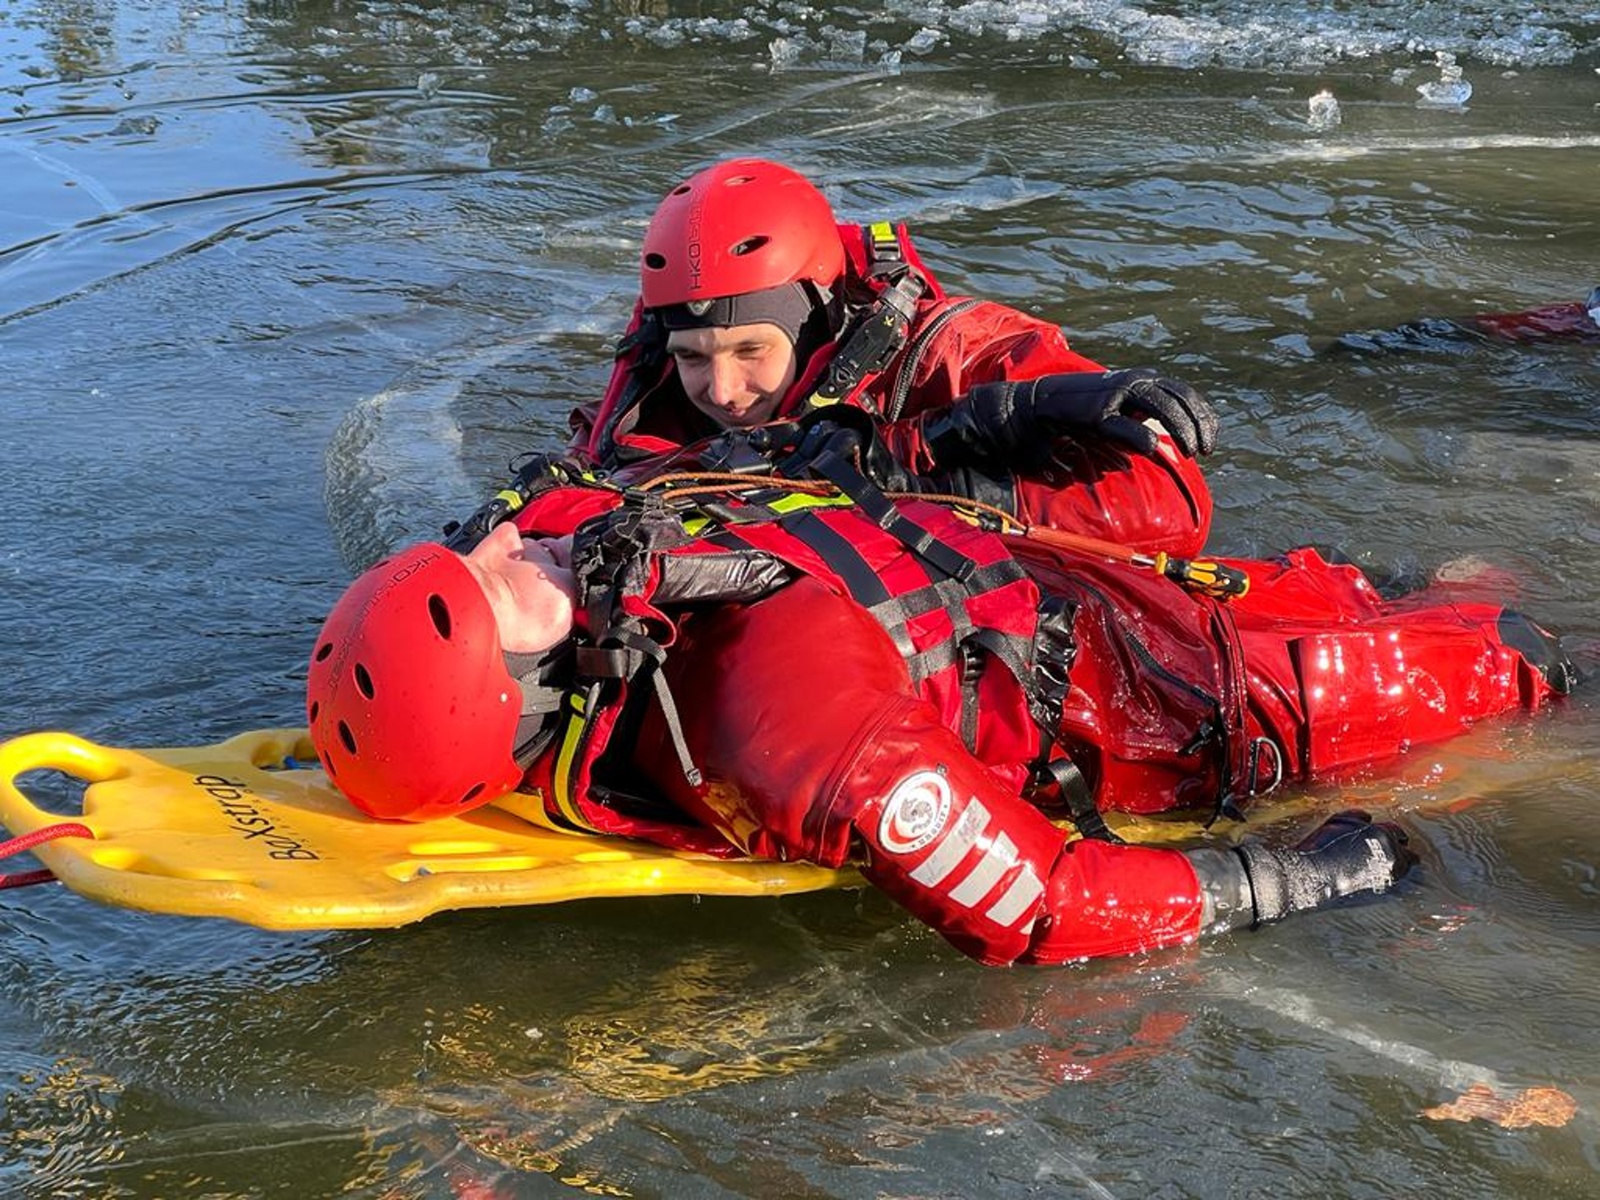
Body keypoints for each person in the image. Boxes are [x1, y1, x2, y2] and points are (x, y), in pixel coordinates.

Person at [305, 454, 1574, 967]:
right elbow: (1045, 901)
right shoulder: (768, 716)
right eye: (493, 584)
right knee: (1508, 646)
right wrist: (1295, 881)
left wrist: (1293, 878)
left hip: (1160, 644)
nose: (511, 540)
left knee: (1498, 633)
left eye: (477, 549)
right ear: (530, 693)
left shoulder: (596, 566)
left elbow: (1052, 906)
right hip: (1156, 664)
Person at [568, 157, 1219, 558]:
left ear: (818, 323)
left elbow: (1168, 510)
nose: (724, 389)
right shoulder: (658, 393)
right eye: (694, 357)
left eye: (751, 350)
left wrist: (918, 481)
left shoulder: (957, 350)